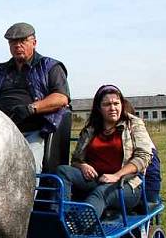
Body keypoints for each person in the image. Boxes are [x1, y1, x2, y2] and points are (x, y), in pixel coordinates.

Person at [56, 84, 153, 218]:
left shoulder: (133, 124)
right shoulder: (91, 129)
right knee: (62, 171)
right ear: (99, 108)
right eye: (107, 104)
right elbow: (76, 159)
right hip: (96, 178)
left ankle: (79, 227)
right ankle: (62, 217)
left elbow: (143, 158)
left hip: (126, 184)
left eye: (116, 103)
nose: (113, 108)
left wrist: (116, 176)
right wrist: (82, 166)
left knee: (101, 193)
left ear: (122, 105)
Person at [0, 22, 70, 172]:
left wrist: (31, 109)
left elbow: (61, 98)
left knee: (29, 168)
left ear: (34, 43)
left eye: (23, 41)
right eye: (13, 42)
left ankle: (31, 195)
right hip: (2, 132)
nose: (17, 45)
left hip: (35, 132)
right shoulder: (0, 73)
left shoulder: (50, 67)